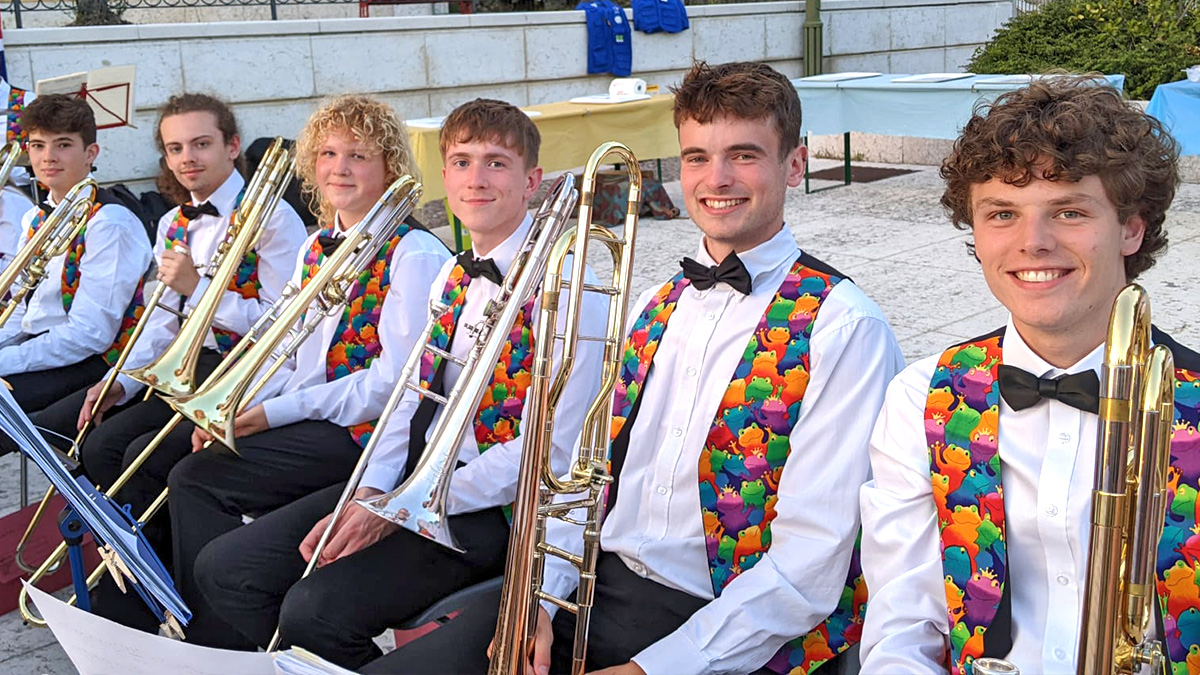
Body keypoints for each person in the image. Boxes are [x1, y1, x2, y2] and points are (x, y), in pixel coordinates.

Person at [362, 60, 905, 675]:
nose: (716, 178)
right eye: (697, 157)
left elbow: (809, 564)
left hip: (735, 625)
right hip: (598, 588)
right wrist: (540, 598)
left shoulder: (845, 327)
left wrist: (654, 668)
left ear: (796, 165)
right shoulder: (654, 303)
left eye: (744, 155)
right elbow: (587, 476)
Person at [190, 97, 609, 668]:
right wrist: (371, 489)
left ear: (532, 180)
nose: (476, 179)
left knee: (315, 611)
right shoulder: (453, 274)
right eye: (461, 162)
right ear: (444, 176)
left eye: (496, 162)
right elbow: (409, 401)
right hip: (415, 483)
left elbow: (551, 451)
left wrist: (405, 505)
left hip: (499, 510)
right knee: (228, 568)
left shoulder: (573, 294)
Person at [857, 77, 1200, 673]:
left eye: (1068, 211)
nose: (1032, 243)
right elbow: (903, 621)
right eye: (1002, 214)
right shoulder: (920, 399)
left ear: (1132, 227)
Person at [162, 93, 450, 647]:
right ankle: (219, 620)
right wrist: (234, 402)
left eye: (358, 156)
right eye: (328, 154)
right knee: (185, 455)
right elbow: (285, 345)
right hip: (317, 419)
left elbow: (390, 386)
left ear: (389, 165)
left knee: (195, 481)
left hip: (364, 435)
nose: (340, 168)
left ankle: (224, 638)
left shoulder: (413, 253)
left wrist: (269, 415)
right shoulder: (318, 245)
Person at [28, 92, 307, 631]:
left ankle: (189, 598)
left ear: (230, 145)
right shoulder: (174, 221)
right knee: (105, 442)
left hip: (245, 372)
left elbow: (284, 326)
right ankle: (147, 586)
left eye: (201, 144)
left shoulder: (275, 219)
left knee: (150, 458)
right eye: (176, 148)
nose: (188, 159)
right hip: (187, 367)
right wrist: (124, 382)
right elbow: (160, 321)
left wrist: (200, 289)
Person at [0, 93, 152, 415]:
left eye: (64, 145)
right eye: (38, 145)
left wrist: (7, 359)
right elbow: (19, 306)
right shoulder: (34, 218)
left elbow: (91, 334)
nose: (48, 157)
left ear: (90, 153)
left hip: (91, 361)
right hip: (41, 347)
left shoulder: (109, 223)